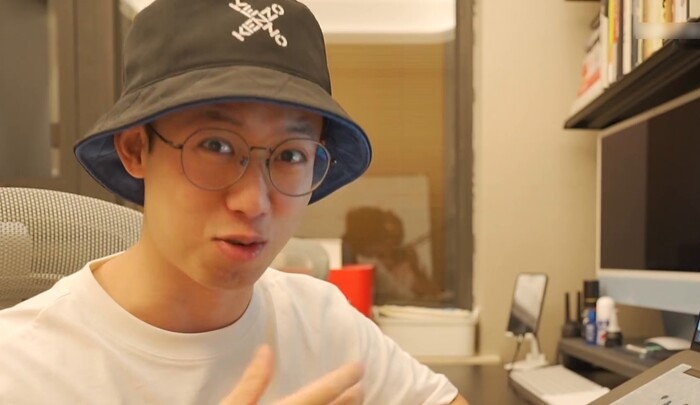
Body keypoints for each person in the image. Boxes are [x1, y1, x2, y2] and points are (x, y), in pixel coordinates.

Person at [0, 0, 469, 404]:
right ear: (137, 148)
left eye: (290, 155)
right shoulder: (22, 366)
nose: (253, 202)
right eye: (216, 146)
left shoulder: (323, 325)